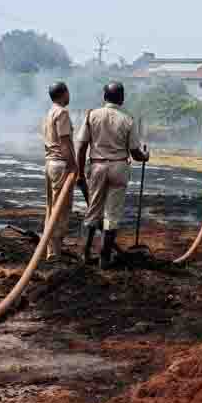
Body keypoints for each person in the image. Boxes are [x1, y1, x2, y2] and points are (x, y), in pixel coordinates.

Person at [76, 82, 150, 269]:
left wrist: (79, 173)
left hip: (97, 167)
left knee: (93, 211)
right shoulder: (128, 120)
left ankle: (84, 254)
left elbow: (82, 146)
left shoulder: (91, 115)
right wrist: (145, 156)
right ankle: (104, 258)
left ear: (104, 97)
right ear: (122, 99)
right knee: (112, 214)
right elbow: (135, 152)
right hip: (118, 168)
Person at [42, 82, 76, 261]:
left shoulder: (49, 112)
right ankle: (54, 252)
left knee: (51, 207)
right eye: (68, 92)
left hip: (49, 164)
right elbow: (64, 142)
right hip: (61, 165)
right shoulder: (62, 113)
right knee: (61, 209)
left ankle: (50, 249)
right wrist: (73, 165)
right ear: (64, 94)